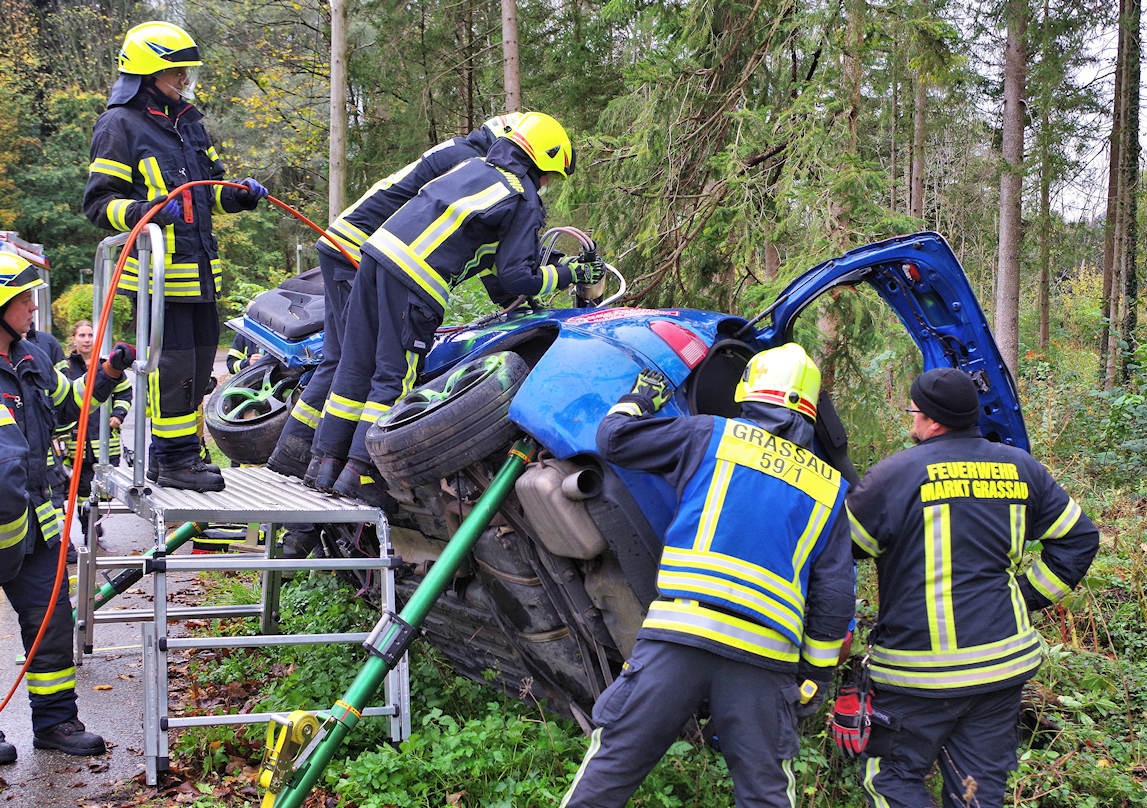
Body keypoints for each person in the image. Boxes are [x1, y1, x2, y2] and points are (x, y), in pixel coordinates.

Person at [561, 343, 856, 807]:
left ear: (748, 391)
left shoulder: (710, 435)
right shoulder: (829, 488)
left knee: (613, 766)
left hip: (680, 638)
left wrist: (641, 397)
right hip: (764, 660)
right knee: (766, 793)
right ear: (811, 412)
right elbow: (835, 596)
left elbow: (614, 439)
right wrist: (814, 677)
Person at [307, 111, 603, 506]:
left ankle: (322, 466)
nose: (546, 185)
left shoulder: (477, 168)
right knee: (393, 379)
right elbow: (516, 277)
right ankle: (360, 475)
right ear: (545, 161)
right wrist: (565, 274)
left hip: (375, 256)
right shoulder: (522, 195)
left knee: (355, 364)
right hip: (416, 280)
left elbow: (489, 262)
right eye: (551, 177)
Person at [845, 367, 1100, 808]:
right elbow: (1079, 539)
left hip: (915, 672)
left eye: (913, 412)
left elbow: (842, 549)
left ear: (931, 419)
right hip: (1001, 667)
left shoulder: (894, 475)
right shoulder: (1022, 467)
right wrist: (1025, 595)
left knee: (891, 781)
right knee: (977, 791)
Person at [265, 112, 524, 480]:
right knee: (359, 363)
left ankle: (303, 458)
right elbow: (455, 234)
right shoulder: (472, 164)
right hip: (362, 250)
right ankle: (328, 463)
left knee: (343, 359)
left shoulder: (459, 151)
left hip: (354, 245)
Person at [83, 20, 269, 493]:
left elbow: (208, 194)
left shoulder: (188, 123)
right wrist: (146, 212)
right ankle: (171, 459)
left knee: (199, 369)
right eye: (178, 71)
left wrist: (240, 196)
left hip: (201, 275)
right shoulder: (119, 125)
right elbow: (99, 205)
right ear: (149, 73)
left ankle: (181, 454)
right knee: (172, 371)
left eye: (187, 72)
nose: (185, 80)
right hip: (158, 280)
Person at [0, 253, 135, 761]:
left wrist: (107, 373)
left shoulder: (29, 357)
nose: (33, 305)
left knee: (51, 623)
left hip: (33, 526)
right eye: (21, 297)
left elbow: (67, 406)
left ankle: (55, 722)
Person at [56, 321, 132, 544]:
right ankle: (89, 532)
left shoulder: (107, 366)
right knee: (79, 489)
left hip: (104, 441)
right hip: (75, 442)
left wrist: (118, 415)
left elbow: (125, 393)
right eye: (82, 335)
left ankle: (93, 524)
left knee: (104, 489)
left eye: (90, 335)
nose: (87, 339)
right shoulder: (65, 368)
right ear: (74, 338)